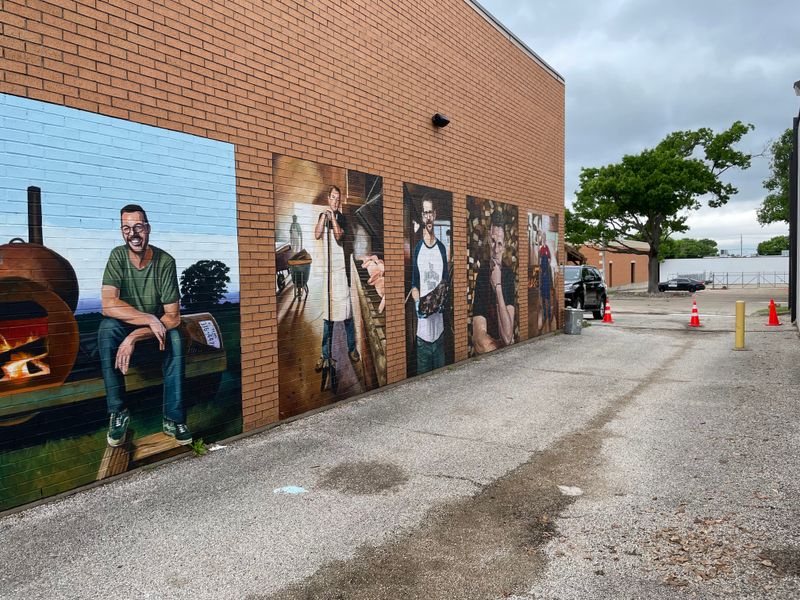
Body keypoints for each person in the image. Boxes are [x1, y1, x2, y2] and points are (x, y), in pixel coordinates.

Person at [99, 204, 191, 447]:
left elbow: (173, 317)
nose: (133, 234)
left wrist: (135, 336)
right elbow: (108, 305)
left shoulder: (165, 262)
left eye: (138, 227)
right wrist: (148, 318)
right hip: (133, 325)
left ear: (148, 229)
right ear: (122, 231)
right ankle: (118, 412)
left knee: (176, 338)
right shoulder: (117, 256)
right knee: (107, 329)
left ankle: (174, 419)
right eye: (127, 228)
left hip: (154, 333)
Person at [313, 186, 359, 372]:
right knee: (328, 317)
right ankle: (325, 355)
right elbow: (317, 234)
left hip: (340, 272)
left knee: (346, 314)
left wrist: (333, 217)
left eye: (337, 199)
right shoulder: (323, 216)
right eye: (332, 198)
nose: (335, 201)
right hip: (328, 274)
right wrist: (323, 217)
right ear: (328, 198)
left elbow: (339, 237)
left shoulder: (342, 218)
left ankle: (352, 349)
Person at [411, 196, 449, 374]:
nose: (428, 217)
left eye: (430, 213)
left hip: (440, 334)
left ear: (434, 215)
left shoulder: (441, 249)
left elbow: (445, 282)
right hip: (423, 337)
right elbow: (414, 286)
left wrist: (442, 301)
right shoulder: (418, 249)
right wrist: (418, 303)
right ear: (422, 216)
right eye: (425, 213)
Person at [472, 210, 515, 353]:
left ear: (504, 246)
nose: (496, 249)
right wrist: (502, 345)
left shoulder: (508, 276)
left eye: (500, 244)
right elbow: (479, 341)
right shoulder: (482, 275)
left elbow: (507, 337)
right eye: (493, 242)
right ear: (488, 240)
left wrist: (498, 287)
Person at [539, 229, 553, 329]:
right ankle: (545, 313)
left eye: (544, 237)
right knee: (543, 298)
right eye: (542, 237)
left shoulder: (546, 248)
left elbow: (549, 259)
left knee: (547, 297)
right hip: (543, 276)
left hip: (546, 275)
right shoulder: (540, 249)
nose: (543, 239)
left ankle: (548, 313)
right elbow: (540, 261)